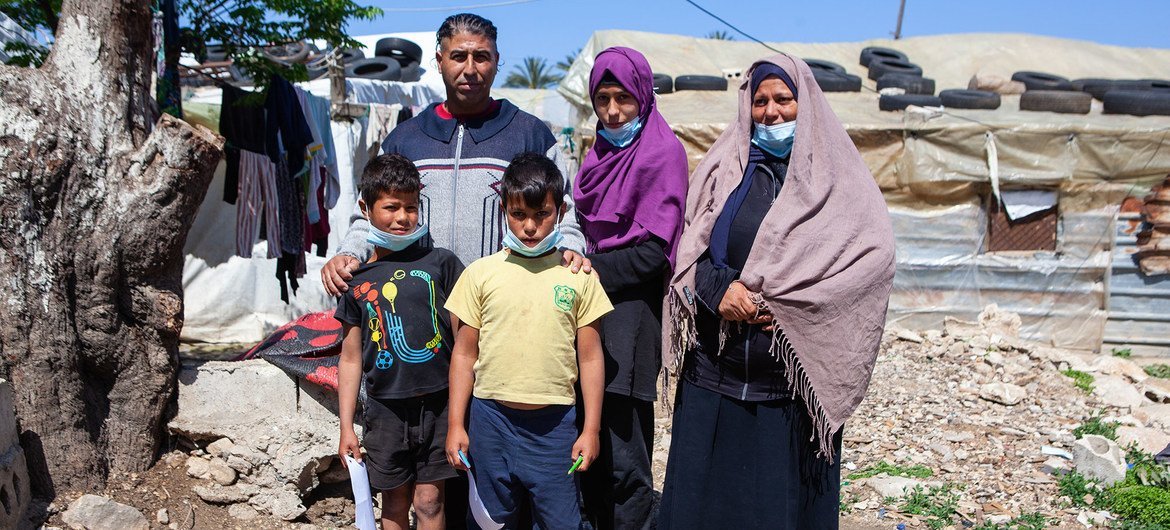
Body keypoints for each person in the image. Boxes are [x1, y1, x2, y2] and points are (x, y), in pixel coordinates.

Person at [657, 55, 896, 529]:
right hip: (714, 377)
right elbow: (689, 249)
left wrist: (790, 305)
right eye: (760, 101)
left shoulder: (837, 180)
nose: (770, 112)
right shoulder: (725, 169)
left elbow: (873, 260)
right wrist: (718, 290)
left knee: (777, 510)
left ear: (805, 104)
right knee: (704, 508)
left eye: (783, 100)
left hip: (788, 391)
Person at [320, 12, 590, 297]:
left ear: (497, 61)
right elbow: (367, 214)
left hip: (501, 303)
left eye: (482, 57)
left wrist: (570, 250)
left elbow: (565, 214)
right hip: (419, 306)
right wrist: (349, 253)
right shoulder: (405, 138)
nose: (470, 69)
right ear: (440, 61)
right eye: (459, 56)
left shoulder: (530, 134)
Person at [444, 153, 613, 529]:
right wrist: (457, 423)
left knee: (561, 522)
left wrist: (591, 429)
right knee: (490, 520)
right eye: (519, 215)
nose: (530, 227)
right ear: (504, 209)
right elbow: (463, 355)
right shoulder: (480, 274)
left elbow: (590, 358)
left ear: (561, 211)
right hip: (491, 421)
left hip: (555, 428)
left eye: (542, 214)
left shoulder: (579, 278)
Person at [572, 46, 688, 530]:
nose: (614, 111)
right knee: (587, 451)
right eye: (603, 98)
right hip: (586, 314)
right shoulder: (596, 153)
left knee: (624, 457)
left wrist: (585, 268)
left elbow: (652, 252)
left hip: (629, 319)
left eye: (624, 98)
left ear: (643, 96)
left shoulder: (663, 153)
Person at [336, 154, 465, 530]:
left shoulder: (441, 263)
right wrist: (347, 426)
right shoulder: (356, 280)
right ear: (366, 208)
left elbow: (464, 343)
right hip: (385, 411)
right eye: (391, 207)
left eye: (411, 207)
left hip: (439, 406)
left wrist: (461, 412)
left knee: (430, 501)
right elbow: (350, 357)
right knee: (393, 503)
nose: (402, 217)